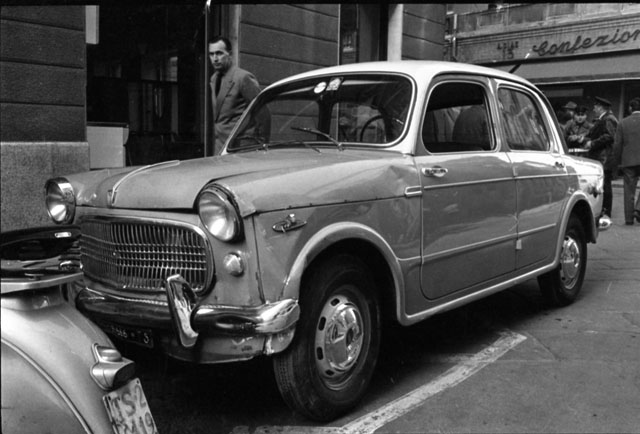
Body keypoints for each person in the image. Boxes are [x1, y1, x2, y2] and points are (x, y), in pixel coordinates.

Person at [209, 36, 261, 154]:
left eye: (219, 53)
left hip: (240, 149)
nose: (215, 58)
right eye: (211, 54)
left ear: (230, 54)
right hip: (220, 149)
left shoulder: (242, 78)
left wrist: (261, 146)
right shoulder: (214, 79)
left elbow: (262, 114)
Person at [585, 96, 618, 217]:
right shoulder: (604, 119)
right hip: (602, 156)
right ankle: (603, 209)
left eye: (595, 106)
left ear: (600, 107)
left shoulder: (608, 119)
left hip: (604, 157)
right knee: (603, 184)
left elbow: (609, 136)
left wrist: (592, 143)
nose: (594, 109)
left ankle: (605, 210)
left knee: (605, 185)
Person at [612, 97, 640, 225]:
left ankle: (629, 219)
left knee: (629, 190)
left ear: (630, 108)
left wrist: (616, 162)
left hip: (628, 161)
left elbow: (617, 145)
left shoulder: (622, 123)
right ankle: (638, 208)